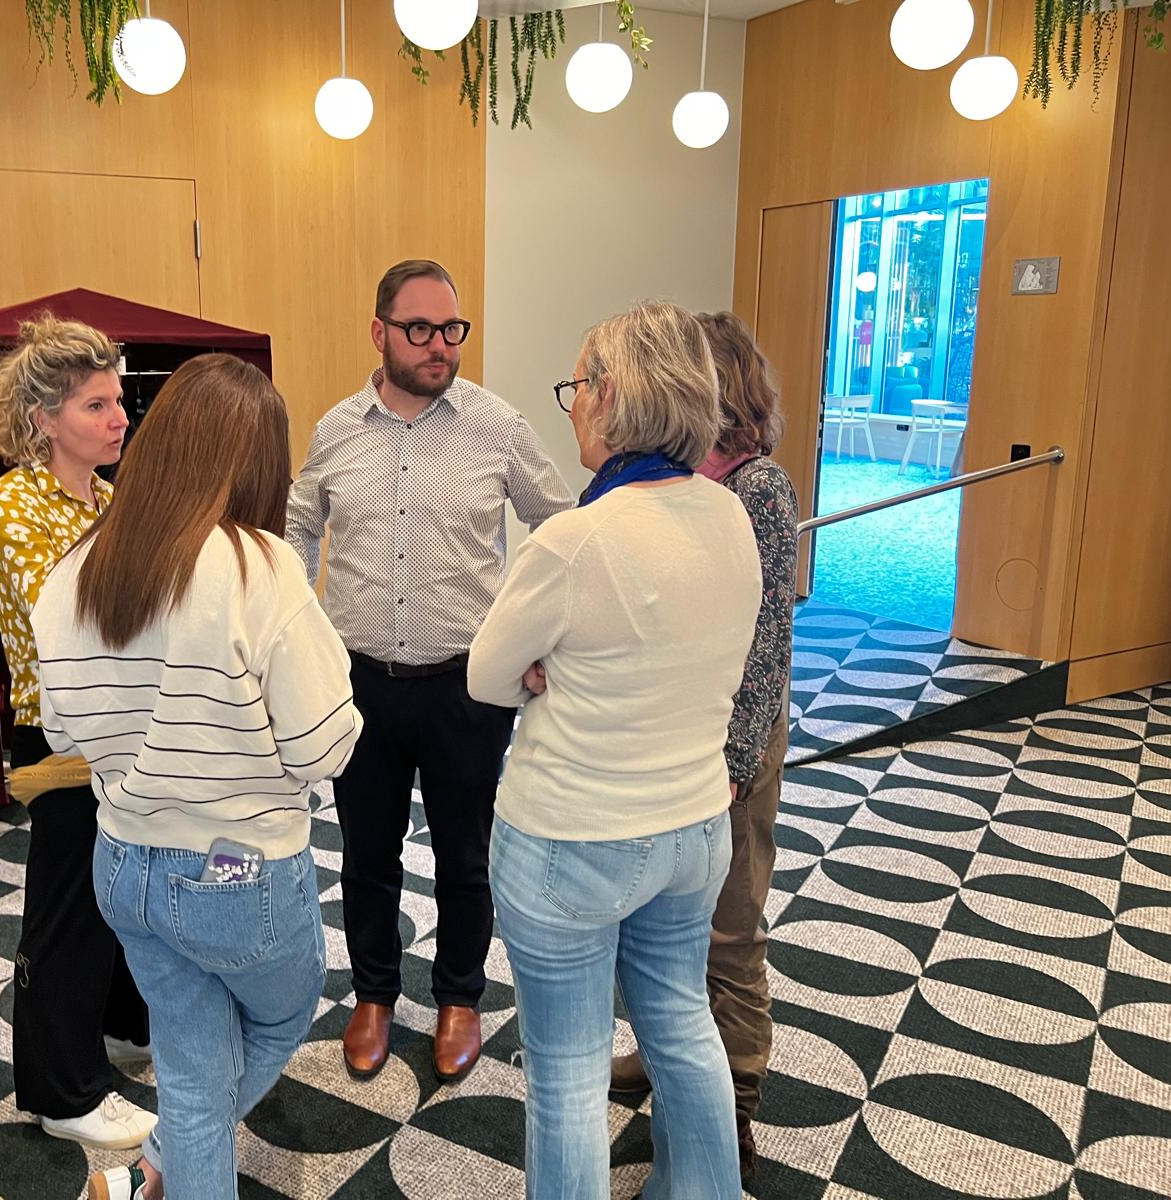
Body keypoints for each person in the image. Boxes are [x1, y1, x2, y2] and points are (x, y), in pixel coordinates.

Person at [31, 354, 362, 1200]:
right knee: (280, 1017)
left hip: (123, 865)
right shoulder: (261, 566)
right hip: (237, 870)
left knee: (192, 1063)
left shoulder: (76, 568)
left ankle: (155, 1172)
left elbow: (62, 732)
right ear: (261, 464)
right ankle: (165, 1157)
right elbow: (325, 749)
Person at [468, 301, 761, 1199]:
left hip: (572, 835)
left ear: (609, 396)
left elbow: (486, 675)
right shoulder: (731, 513)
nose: (571, 407)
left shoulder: (576, 538)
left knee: (567, 1070)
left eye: (576, 386)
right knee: (681, 1020)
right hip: (694, 827)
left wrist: (546, 668)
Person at [287, 259, 574, 1084]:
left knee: (465, 854)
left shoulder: (498, 426)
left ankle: (458, 999)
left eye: (452, 329)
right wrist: (296, 629)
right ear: (379, 333)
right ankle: (373, 996)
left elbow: (560, 528)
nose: (440, 345)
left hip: (468, 685)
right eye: (420, 330)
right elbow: (300, 525)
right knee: (366, 854)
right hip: (361, 684)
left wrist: (540, 634)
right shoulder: (336, 430)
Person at [610, 310, 800, 1182]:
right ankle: (668, 1057)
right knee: (660, 925)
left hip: (733, 746)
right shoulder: (674, 478)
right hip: (670, 735)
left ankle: (736, 1107)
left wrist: (734, 765)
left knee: (728, 929)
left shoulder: (757, 488)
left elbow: (766, 646)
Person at [0, 315, 155, 1150]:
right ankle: (61, 1089)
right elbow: (74, 612)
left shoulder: (110, 499)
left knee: (115, 896)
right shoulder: (12, 501)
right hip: (57, 736)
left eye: (118, 400)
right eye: (96, 405)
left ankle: (115, 1030)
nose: (120, 418)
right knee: (67, 909)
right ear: (44, 418)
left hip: (120, 725)